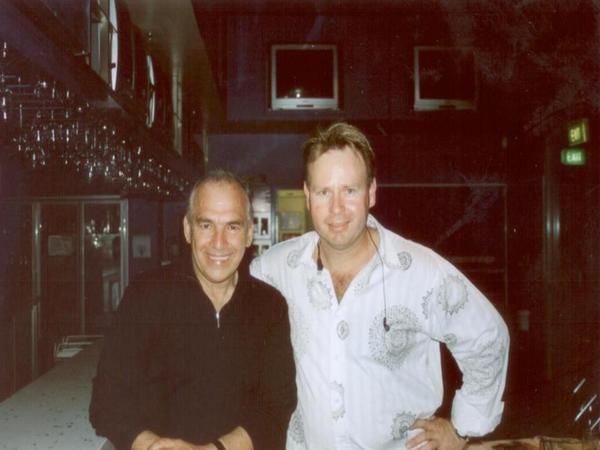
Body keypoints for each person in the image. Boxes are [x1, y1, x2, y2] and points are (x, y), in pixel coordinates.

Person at [250, 122, 509, 450]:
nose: (336, 208)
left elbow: (487, 337)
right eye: (324, 192)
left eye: (350, 190)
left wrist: (462, 427)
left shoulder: (420, 271)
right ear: (307, 196)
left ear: (371, 192)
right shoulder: (274, 268)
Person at [90, 170, 296, 450]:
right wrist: (153, 446)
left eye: (233, 227)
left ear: (249, 234)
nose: (219, 243)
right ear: (188, 229)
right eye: (206, 225)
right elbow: (106, 399)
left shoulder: (269, 307)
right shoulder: (146, 295)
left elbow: (275, 407)